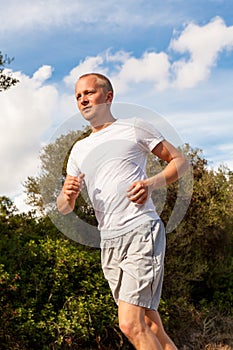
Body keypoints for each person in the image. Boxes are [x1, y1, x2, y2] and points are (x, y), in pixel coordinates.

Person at [57, 73, 189, 350]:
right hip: (109, 241)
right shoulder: (79, 149)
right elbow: (64, 208)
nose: (83, 99)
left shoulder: (134, 128)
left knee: (129, 323)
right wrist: (67, 195)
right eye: (78, 96)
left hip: (140, 230)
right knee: (150, 325)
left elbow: (180, 162)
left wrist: (152, 184)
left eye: (89, 92)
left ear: (108, 97)